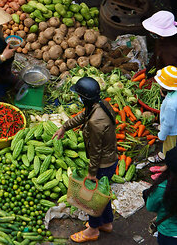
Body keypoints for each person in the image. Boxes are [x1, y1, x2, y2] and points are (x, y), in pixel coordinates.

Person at [52, 77, 118, 242]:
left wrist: (91, 173)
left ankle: (93, 230)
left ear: (85, 98)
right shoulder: (100, 105)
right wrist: (64, 127)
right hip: (110, 158)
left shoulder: (96, 123)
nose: (78, 98)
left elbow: (96, 152)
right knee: (103, 194)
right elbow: (83, 116)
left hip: (103, 163)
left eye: (79, 95)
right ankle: (107, 223)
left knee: (92, 198)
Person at [148, 66, 177, 180]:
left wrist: (161, 136)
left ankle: (167, 170)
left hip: (173, 130)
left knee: (170, 149)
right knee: (170, 147)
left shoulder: (171, 104)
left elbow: (168, 123)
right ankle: (164, 157)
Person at [142, 10, 177, 81]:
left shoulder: (171, 54)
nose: (150, 31)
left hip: (170, 81)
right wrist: (148, 72)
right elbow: (155, 56)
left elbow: (172, 76)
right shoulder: (161, 40)